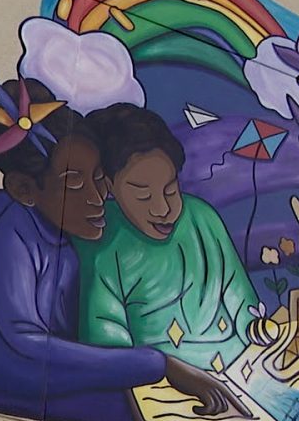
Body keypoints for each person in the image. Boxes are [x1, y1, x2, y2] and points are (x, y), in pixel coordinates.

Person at [0, 78, 244, 421]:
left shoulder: (74, 237)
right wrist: (159, 365)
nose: (98, 199)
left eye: (99, 179)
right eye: (74, 184)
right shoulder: (2, 222)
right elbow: (15, 358)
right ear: (24, 189)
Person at [75, 104, 260, 372]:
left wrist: (260, 331)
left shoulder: (203, 217)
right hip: (160, 389)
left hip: (241, 374)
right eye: (144, 195)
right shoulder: (103, 238)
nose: (163, 209)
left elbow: (245, 308)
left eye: (170, 189)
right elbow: (107, 346)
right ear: (109, 186)